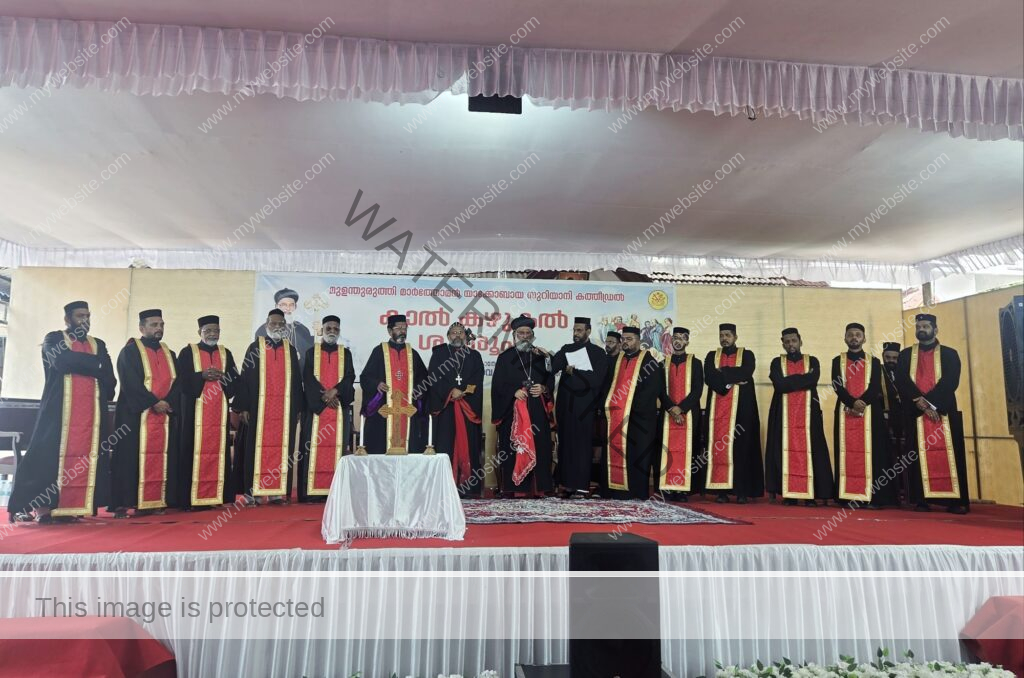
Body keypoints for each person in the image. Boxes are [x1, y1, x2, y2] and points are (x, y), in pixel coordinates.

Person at [9, 301, 117, 523]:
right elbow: (61, 361)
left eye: (87, 316)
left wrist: (88, 365)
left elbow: (110, 378)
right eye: (80, 316)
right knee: (46, 459)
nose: (85, 321)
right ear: (68, 319)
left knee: (85, 461)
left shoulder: (98, 344)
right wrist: (95, 365)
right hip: (58, 414)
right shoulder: (54, 339)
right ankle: (42, 507)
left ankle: (70, 507)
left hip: (91, 417)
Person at [896, 313, 970, 514]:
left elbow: (951, 381)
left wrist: (929, 403)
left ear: (935, 330)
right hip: (915, 412)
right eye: (918, 326)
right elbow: (901, 380)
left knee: (950, 455)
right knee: (916, 455)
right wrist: (918, 401)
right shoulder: (905, 355)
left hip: (943, 411)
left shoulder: (950, 354)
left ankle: (954, 501)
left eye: (926, 326)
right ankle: (921, 500)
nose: (921, 329)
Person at [109, 309, 180, 518]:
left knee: (161, 457)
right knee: (129, 458)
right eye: (154, 325)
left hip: (163, 416)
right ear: (142, 328)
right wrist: (153, 402)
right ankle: (126, 502)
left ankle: (154, 501)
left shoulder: (169, 354)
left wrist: (167, 402)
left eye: (161, 324)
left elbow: (179, 382)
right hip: (135, 417)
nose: (159, 328)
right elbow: (129, 381)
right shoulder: (130, 352)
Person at [235, 309, 303, 504]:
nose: (277, 327)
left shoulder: (290, 350)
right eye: (274, 323)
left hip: (284, 412)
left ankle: (276, 493)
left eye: (281, 324)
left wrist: (297, 408)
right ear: (266, 324)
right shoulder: (255, 348)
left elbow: (296, 381)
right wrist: (244, 407)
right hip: (258, 410)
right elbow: (245, 378)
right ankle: (253, 494)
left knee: (282, 449)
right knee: (254, 450)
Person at [175, 315, 240, 509]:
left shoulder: (225, 353)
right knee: (191, 451)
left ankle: (216, 496)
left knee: (219, 452)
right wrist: (201, 376)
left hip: (218, 414)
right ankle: (191, 499)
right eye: (208, 331)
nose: (213, 334)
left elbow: (235, 380)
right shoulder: (188, 352)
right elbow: (180, 381)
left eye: (216, 330)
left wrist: (224, 377)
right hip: (194, 414)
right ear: (199, 332)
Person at [764, 328, 833, 506]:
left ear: (800, 341)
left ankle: (811, 495)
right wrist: (803, 379)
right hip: (783, 414)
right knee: (783, 450)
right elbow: (779, 385)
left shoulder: (812, 360)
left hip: (808, 414)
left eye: (793, 340)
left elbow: (813, 380)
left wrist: (791, 381)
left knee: (812, 450)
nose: (791, 344)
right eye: (787, 341)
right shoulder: (777, 362)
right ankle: (790, 494)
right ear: (783, 344)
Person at [491, 314, 555, 497]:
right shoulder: (505, 358)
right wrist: (513, 391)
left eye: (528, 333)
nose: (525, 336)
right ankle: (515, 488)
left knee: (539, 446)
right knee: (514, 447)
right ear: (514, 335)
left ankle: (538, 488)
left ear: (532, 335)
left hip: (536, 409)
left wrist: (543, 388)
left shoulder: (541, 356)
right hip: (513, 411)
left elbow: (550, 380)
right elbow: (497, 385)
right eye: (521, 333)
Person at [830, 322, 893, 508]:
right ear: (845, 338)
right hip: (845, 410)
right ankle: (847, 496)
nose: (854, 338)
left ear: (864, 339)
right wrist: (851, 402)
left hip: (871, 412)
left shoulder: (874, 361)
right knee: (846, 454)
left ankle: (873, 497)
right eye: (850, 334)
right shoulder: (837, 361)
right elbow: (837, 385)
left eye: (858, 334)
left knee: (874, 454)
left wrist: (861, 403)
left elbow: (875, 386)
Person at [546, 317, 609, 498]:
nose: (576, 333)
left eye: (579, 330)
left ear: (588, 331)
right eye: (574, 330)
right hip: (566, 406)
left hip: (585, 407)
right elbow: (553, 367)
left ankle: (581, 486)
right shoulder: (566, 349)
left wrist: (574, 371)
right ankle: (566, 485)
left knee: (582, 446)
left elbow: (597, 380)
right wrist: (546, 356)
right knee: (565, 444)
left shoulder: (598, 353)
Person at [703, 323, 763, 503]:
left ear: (735, 337)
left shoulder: (747, 354)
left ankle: (742, 491)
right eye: (721, 335)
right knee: (719, 448)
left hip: (742, 410)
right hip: (717, 410)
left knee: (742, 447)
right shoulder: (712, 355)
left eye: (728, 335)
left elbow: (747, 372)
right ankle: (721, 491)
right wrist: (730, 382)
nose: (724, 338)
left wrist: (722, 371)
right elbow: (709, 377)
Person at [602, 326, 664, 499]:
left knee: (639, 454)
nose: (625, 342)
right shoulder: (617, 360)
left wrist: (631, 407)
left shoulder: (649, 361)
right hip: (618, 416)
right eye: (623, 339)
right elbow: (608, 385)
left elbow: (653, 389)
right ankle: (616, 490)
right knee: (617, 451)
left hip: (640, 418)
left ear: (638, 340)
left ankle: (637, 491)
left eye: (629, 339)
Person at [298, 315, 355, 502]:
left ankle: (334, 492)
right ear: (322, 330)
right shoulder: (311, 352)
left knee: (337, 449)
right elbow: (307, 379)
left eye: (336, 329)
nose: (332, 331)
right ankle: (311, 493)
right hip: (316, 411)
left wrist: (335, 391)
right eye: (328, 328)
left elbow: (349, 377)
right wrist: (323, 398)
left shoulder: (345, 354)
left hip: (338, 409)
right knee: (313, 448)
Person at [427, 322, 485, 496]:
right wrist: (450, 391)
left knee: (469, 446)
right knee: (445, 444)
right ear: (448, 336)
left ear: (465, 336)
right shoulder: (439, 354)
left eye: (461, 332)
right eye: (454, 332)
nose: (457, 335)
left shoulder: (474, 356)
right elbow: (433, 377)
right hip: (445, 408)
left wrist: (464, 392)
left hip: (467, 407)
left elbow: (478, 378)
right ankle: (444, 487)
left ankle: (467, 488)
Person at [360, 314, 428, 454]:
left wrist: (420, 390)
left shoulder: (413, 354)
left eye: (405, 328)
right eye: (398, 328)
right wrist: (377, 384)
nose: (402, 331)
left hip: (407, 410)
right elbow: (365, 377)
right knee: (380, 447)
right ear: (389, 331)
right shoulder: (379, 352)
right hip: (384, 410)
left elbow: (424, 379)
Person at [657, 327, 704, 501]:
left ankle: (683, 490)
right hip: (667, 413)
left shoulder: (696, 363)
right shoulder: (663, 363)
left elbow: (697, 390)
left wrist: (681, 408)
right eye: (675, 338)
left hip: (689, 414)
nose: (678, 341)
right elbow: (660, 390)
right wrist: (671, 408)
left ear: (687, 342)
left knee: (688, 450)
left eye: (682, 338)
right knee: (666, 450)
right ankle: (667, 488)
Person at [255, 288, 314, 364]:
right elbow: (259, 354)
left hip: (297, 369)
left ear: (295, 307)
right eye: (283, 305)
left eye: (291, 305)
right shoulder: (265, 329)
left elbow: (310, 348)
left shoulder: (301, 328)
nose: (288, 308)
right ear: (276, 306)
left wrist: (318, 333)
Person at [881, 341, 906, 503]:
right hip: (884, 418)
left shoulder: (904, 372)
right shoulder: (878, 371)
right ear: (883, 357)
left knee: (904, 454)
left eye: (895, 358)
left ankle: (905, 489)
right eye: (888, 357)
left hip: (903, 418)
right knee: (887, 454)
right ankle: (890, 491)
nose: (891, 361)